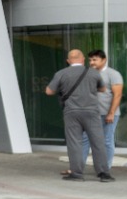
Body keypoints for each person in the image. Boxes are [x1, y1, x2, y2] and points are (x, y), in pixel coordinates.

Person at [46, 48, 111, 182]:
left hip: (71, 112)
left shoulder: (61, 73)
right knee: (98, 142)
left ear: (68, 61)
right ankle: (103, 174)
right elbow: (103, 89)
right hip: (92, 112)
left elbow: (49, 91)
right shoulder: (93, 73)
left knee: (74, 142)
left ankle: (76, 174)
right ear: (82, 60)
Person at [85, 49, 124, 170]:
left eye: (95, 59)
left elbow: (117, 95)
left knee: (107, 141)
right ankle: (83, 167)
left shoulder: (113, 74)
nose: (92, 62)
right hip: (90, 114)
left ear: (104, 60)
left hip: (107, 114)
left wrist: (111, 113)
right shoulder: (87, 74)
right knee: (87, 140)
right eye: (90, 60)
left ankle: (105, 168)